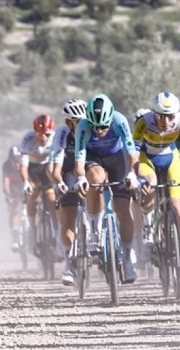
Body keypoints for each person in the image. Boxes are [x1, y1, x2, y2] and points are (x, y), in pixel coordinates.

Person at [72, 92, 141, 285]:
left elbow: (131, 154)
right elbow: (79, 159)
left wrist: (132, 174)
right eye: (97, 126)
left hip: (116, 158)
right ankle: (95, 230)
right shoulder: (83, 127)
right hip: (94, 158)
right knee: (95, 179)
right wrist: (80, 177)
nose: (100, 130)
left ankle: (127, 259)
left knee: (123, 210)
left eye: (104, 126)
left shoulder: (119, 121)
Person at [132, 90, 180, 282]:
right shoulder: (144, 121)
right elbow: (134, 153)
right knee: (151, 184)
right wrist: (135, 174)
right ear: (155, 114)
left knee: (178, 207)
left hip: (171, 159)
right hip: (148, 159)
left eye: (170, 116)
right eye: (162, 116)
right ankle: (148, 223)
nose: (166, 121)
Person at [50, 99, 87, 285]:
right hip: (70, 172)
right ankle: (69, 263)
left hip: (91, 171)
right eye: (76, 121)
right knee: (68, 220)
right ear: (68, 123)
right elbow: (56, 168)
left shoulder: (92, 130)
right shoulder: (62, 135)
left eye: (83, 120)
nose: (81, 125)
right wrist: (59, 182)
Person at [18, 114, 58, 246]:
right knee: (33, 196)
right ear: (35, 133)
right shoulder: (28, 139)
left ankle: (55, 233)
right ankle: (33, 232)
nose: (43, 138)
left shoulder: (55, 138)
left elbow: (59, 163)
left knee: (52, 201)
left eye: (46, 134)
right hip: (32, 168)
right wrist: (25, 182)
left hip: (49, 167)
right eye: (40, 135)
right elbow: (23, 166)